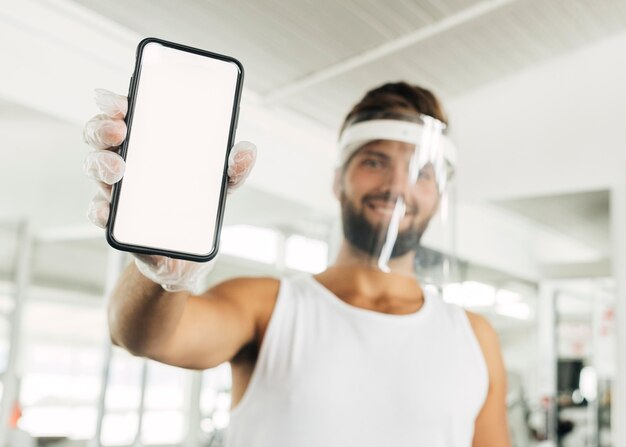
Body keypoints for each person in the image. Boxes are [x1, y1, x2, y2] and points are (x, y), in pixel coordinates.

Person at [83, 82, 510, 446]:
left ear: (439, 195)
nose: (397, 185)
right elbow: (140, 336)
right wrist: (161, 262)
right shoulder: (267, 306)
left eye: (422, 171)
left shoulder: (475, 336)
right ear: (337, 179)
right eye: (375, 161)